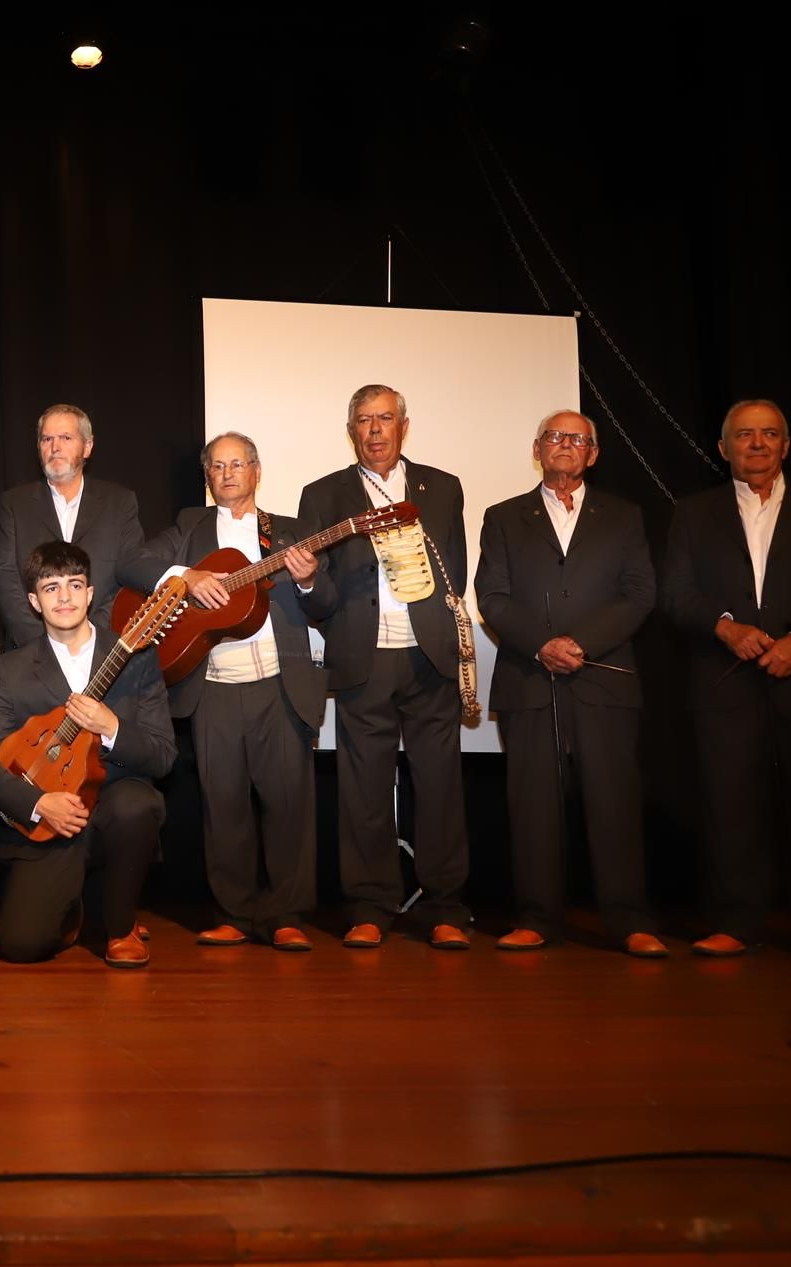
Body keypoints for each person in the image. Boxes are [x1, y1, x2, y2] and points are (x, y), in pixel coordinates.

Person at [661, 399, 791, 960]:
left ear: (786, 445)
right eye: (744, 435)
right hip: (724, 678)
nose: (757, 444)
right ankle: (736, 922)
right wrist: (725, 627)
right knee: (730, 805)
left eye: (769, 434)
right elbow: (676, 593)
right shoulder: (693, 512)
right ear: (723, 447)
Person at [119, 432, 336, 950]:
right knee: (224, 805)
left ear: (256, 471)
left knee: (288, 804)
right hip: (213, 685)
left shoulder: (288, 532)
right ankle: (234, 914)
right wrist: (186, 576)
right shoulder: (190, 527)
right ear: (208, 477)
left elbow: (326, 602)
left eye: (237, 464)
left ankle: (285, 915)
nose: (228, 473)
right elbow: (130, 564)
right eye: (217, 466)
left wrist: (307, 582)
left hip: (278, 685)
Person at [476, 411, 665, 957]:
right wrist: (542, 645)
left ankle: (629, 920)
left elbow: (639, 593)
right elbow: (493, 596)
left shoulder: (625, 516)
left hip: (603, 675)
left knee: (615, 802)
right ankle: (536, 918)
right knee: (532, 805)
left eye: (578, 439)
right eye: (556, 438)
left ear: (594, 454)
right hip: (528, 676)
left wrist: (581, 644)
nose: (566, 446)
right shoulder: (504, 516)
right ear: (537, 449)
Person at [296, 384, 472, 950]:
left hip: (429, 659)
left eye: (385, 419)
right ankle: (369, 906)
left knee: (440, 787)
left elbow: (456, 575)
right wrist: (304, 582)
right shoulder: (322, 495)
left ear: (404, 426)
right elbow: (320, 601)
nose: (375, 430)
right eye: (364, 421)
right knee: (363, 791)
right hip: (362, 660)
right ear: (352, 431)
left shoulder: (443, 488)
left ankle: (444, 906)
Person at [0, 542, 175, 967]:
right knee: (23, 946)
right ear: (33, 602)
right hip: (50, 820)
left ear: (91, 593)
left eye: (75, 585)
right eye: (51, 588)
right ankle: (76, 908)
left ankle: (120, 928)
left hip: (113, 809)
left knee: (139, 804)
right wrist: (38, 803)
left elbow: (163, 755)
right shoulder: (14, 668)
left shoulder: (136, 657)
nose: (64, 597)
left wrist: (111, 727)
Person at [0, 404, 144, 647]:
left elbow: (130, 576)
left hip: (104, 650)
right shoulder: (14, 504)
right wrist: (42, 643)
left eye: (66, 438)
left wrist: (91, 637)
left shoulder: (120, 502)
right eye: (47, 439)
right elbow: (4, 577)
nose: (55, 447)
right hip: (31, 653)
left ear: (88, 447)